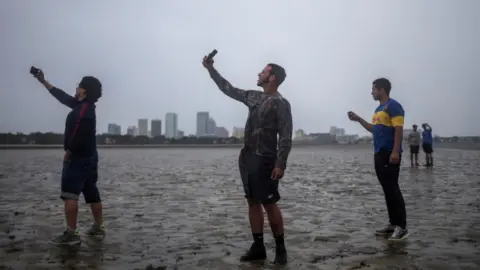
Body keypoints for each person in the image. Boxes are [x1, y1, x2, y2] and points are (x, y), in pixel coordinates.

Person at [202, 57, 292, 264]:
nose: (258, 74)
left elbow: (285, 136)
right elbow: (228, 89)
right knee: (252, 201)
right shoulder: (253, 97)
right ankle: (258, 245)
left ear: (272, 77)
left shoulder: (281, 103)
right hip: (248, 157)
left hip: (267, 159)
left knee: (269, 203)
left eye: (263, 72)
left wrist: (280, 163)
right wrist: (211, 69)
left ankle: (280, 247)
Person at [32, 68, 105, 245]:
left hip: (78, 159)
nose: (76, 88)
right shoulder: (83, 106)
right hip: (90, 158)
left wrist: (69, 152)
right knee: (92, 194)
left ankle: (72, 234)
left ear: (84, 91)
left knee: (70, 195)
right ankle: (99, 227)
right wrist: (44, 81)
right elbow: (62, 97)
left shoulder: (83, 110)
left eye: (79, 86)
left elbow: (80, 134)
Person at [347, 78, 408, 241]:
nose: (371, 92)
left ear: (382, 89)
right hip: (379, 152)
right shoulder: (378, 109)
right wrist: (358, 119)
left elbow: (398, 130)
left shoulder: (393, 105)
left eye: (373, 89)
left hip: (390, 152)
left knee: (393, 189)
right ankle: (392, 223)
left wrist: (395, 151)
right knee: (387, 189)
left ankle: (401, 226)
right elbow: (374, 129)